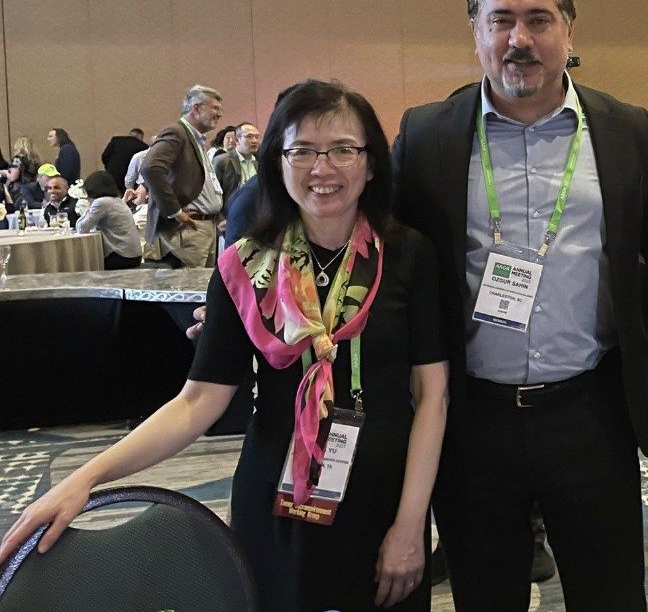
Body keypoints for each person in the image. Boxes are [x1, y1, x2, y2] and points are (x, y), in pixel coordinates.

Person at [1, 79, 449, 611]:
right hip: (277, 499)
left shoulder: (406, 255)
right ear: (277, 163)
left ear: (371, 163)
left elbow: (432, 396)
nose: (322, 168)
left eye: (342, 150)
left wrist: (411, 524)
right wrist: (86, 478)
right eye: (302, 150)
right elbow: (197, 403)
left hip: (384, 500)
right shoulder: (246, 266)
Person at [391, 0, 648, 611]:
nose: (519, 39)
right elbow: (383, 252)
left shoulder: (623, 129)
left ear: (568, 30)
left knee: (611, 598)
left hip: (589, 413)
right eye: (501, 20)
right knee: (485, 597)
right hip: (471, 419)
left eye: (539, 19)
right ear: (476, 31)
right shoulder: (428, 135)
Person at [143, 85, 225, 268]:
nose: (220, 114)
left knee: (202, 284)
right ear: (197, 109)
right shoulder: (177, 132)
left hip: (205, 227)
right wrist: (175, 212)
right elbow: (151, 168)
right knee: (189, 284)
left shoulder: (195, 138)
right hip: (189, 229)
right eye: (215, 108)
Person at [76, 171, 143, 269]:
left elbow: (82, 228)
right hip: (134, 255)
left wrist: (86, 207)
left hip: (120, 256)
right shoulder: (118, 200)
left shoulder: (101, 203)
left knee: (87, 264)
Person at [214, 122, 261, 203]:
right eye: (249, 137)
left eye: (257, 137)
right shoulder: (222, 161)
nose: (254, 141)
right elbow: (214, 193)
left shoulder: (259, 161)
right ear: (236, 140)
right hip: (231, 208)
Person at [100, 128, 149, 194]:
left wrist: (110, 167)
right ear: (141, 137)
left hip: (111, 176)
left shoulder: (116, 140)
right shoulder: (143, 147)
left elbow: (105, 156)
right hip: (126, 180)